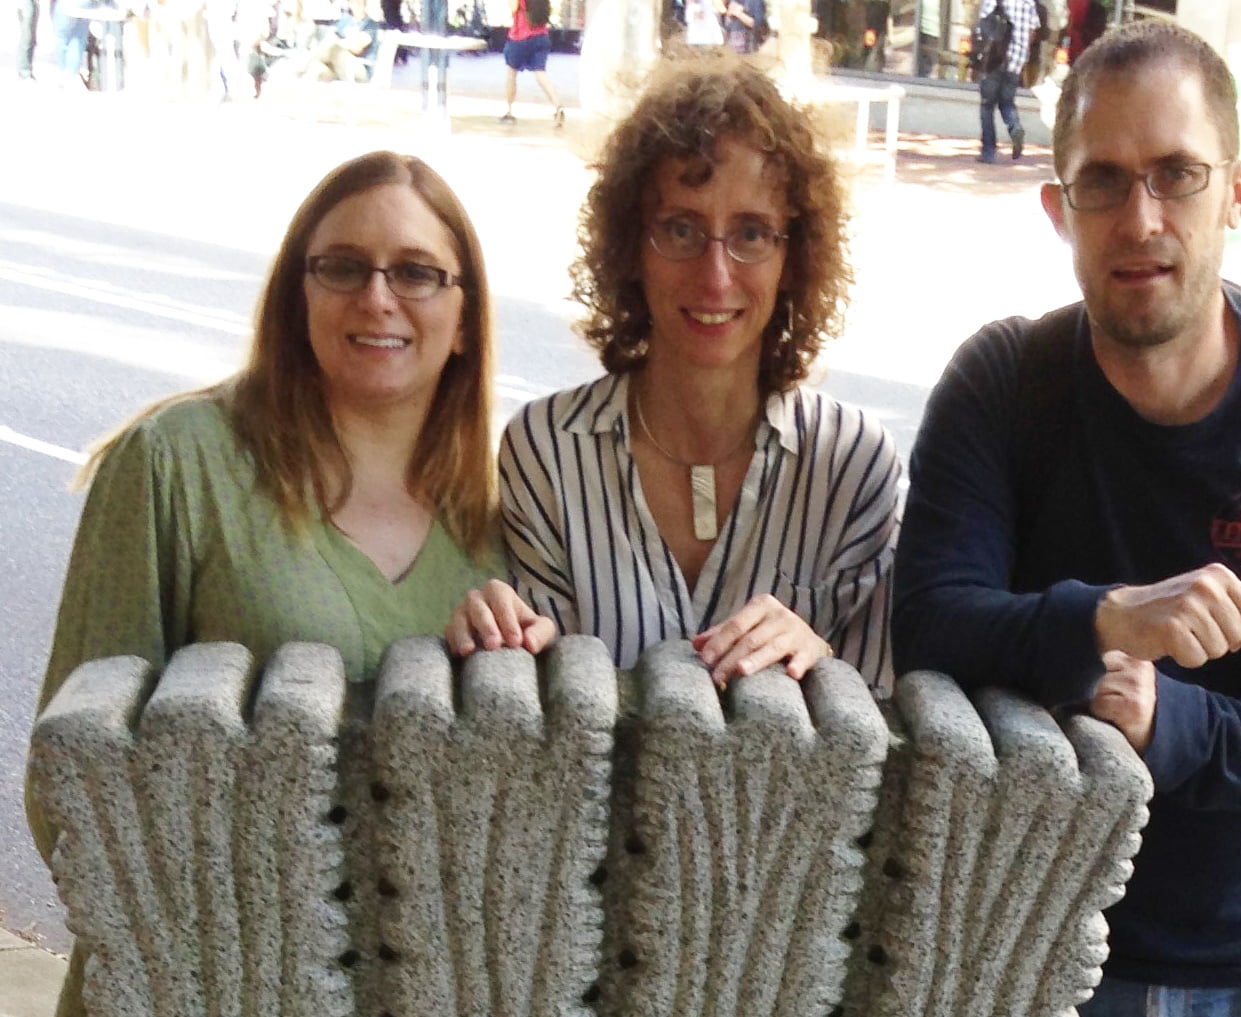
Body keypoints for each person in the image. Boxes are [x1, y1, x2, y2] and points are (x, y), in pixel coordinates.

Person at [893, 21, 1241, 1017]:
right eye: (1103, 181)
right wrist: (1104, 619)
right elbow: (931, 622)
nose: (1140, 217)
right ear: (1060, 209)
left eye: (1178, 174)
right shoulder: (1004, 384)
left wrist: (1176, 725)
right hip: (1035, 951)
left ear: (1237, 192)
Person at [30, 149, 552, 1017]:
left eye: (418, 273)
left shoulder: (499, 527)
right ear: (296, 293)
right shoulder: (176, 463)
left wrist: (512, 670)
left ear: (464, 318)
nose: (378, 297)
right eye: (343, 266)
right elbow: (72, 783)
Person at [447, 56, 900, 693]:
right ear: (631, 246)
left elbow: (878, 732)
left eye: (752, 233)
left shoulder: (852, 468)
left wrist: (821, 660)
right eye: (681, 229)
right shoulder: (545, 451)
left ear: (794, 260)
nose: (716, 275)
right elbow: (541, 705)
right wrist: (497, 634)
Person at [973, 0, 1042, 163]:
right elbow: (1033, 31)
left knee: (987, 105)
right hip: (1017, 60)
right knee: (1007, 102)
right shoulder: (1029, 3)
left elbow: (983, 24)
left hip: (994, 58)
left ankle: (989, 151)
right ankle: (1015, 127)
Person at [498, 0, 564, 126]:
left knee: (511, 73)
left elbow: (513, 8)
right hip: (541, 36)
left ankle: (509, 112)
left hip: (520, 37)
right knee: (541, 73)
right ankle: (558, 106)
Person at [301, 0, 379, 82]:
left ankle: (299, 66)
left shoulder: (370, 25)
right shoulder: (346, 21)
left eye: (360, 2)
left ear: (365, 4)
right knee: (316, 67)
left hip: (359, 68)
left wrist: (341, 42)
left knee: (335, 48)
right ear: (350, 4)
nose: (357, 5)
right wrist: (343, 42)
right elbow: (333, 38)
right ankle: (300, 71)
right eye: (353, 2)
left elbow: (357, 49)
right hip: (338, 67)